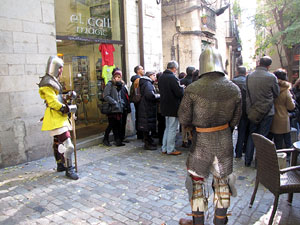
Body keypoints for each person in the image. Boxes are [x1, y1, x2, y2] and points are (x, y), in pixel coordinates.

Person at [178, 46, 242, 225]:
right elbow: (236, 120)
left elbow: (183, 118)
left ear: (202, 65)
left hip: (201, 143)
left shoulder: (192, 88)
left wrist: (193, 128)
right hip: (224, 141)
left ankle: (198, 222)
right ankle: (220, 221)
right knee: (223, 183)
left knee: (197, 184)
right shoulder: (234, 88)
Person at [38, 56, 79, 180]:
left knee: (58, 141)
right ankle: (69, 168)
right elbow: (52, 102)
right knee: (68, 144)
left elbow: (58, 97)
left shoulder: (53, 81)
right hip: (56, 117)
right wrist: (65, 108)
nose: (61, 70)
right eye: (60, 68)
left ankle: (60, 164)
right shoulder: (47, 83)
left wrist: (67, 96)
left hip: (59, 117)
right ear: (54, 68)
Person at [245, 56, 280, 167]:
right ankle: (258, 162)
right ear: (269, 66)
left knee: (252, 135)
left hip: (253, 111)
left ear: (259, 63)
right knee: (263, 137)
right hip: (267, 112)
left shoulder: (249, 76)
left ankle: (247, 160)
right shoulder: (271, 77)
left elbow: (247, 94)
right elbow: (276, 93)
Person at [158, 60, 184, 155]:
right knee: (172, 129)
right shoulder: (172, 77)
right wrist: (182, 88)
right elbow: (179, 92)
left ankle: (164, 148)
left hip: (165, 105)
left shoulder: (161, 77)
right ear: (174, 68)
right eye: (176, 69)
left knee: (168, 128)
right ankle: (170, 149)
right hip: (173, 106)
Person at [269, 69, 295, 149]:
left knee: (277, 142)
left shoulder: (271, 88)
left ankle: (278, 158)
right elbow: (291, 106)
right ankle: (288, 158)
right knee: (287, 141)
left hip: (272, 117)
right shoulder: (286, 90)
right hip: (283, 118)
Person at [137, 71, 160, 150]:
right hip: (147, 107)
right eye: (154, 75)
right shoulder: (148, 83)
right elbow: (150, 95)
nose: (155, 77)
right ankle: (147, 143)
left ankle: (149, 142)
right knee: (147, 125)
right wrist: (158, 96)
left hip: (145, 106)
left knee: (147, 125)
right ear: (149, 76)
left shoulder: (145, 82)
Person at [102, 70, 125, 147]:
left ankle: (117, 140)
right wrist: (114, 102)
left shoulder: (120, 85)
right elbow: (106, 96)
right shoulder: (110, 84)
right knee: (111, 125)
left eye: (119, 77)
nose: (117, 78)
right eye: (116, 77)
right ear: (113, 77)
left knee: (118, 125)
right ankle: (105, 139)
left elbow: (120, 95)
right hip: (112, 108)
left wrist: (121, 103)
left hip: (119, 108)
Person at [232, 66, 249, 158]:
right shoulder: (249, 81)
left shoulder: (232, 81)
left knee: (232, 130)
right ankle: (242, 150)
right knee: (244, 131)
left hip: (234, 109)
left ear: (237, 72)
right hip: (246, 109)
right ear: (245, 72)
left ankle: (234, 151)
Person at [180, 66, 196, 148]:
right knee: (191, 124)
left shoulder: (182, 81)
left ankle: (184, 140)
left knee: (184, 124)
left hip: (183, 104)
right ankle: (191, 139)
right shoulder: (194, 82)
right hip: (192, 105)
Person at [130, 65, 145, 139]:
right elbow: (137, 92)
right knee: (140, 117)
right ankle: (140, 133)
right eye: (142, 69)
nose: (143, 70)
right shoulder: (138, 80)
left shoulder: (137, 79)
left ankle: (139, 133)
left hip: (137, 101)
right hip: (139, 101)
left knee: (138, 116)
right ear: (138, 71)